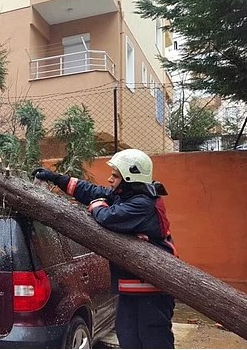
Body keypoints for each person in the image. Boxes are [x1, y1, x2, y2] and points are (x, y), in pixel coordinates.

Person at [32, 149, 177, 349]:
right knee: (128, 338)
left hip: (153, 290)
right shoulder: (128, 196)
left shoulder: (143, 205)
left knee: (153, 340)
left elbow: (107, 217)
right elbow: (91, 191)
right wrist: (56, 178)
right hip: (133, 289)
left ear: (129, 177)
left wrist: (97, 205)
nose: (110, 179)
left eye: (115, 175)